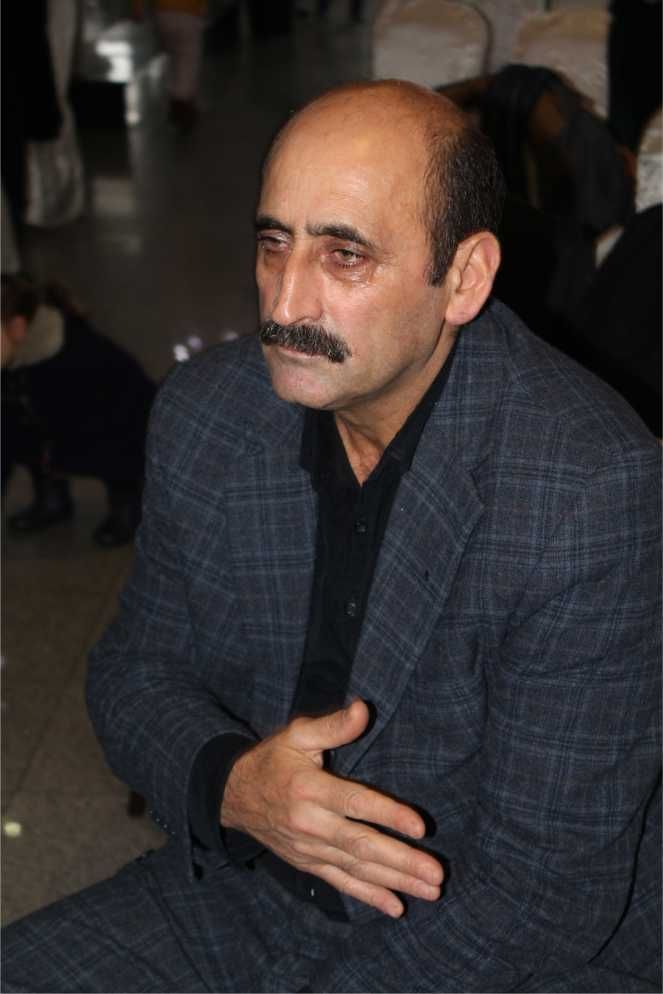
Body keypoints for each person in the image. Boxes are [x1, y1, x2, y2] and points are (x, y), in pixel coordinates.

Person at [2, 80, 660, 993]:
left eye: (344, 255)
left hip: (486, 947)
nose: (286, 300)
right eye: (274, 243)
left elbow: (544, 896)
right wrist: (233, 784)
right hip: (245, 892)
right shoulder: (208, 412)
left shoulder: (586, 490)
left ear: (464, 277)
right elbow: (132, 670)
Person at [1, 273, 156, 547]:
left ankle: (126, 502)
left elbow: (123, 422)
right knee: (13, 428)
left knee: (111, 448)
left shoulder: (77, 358)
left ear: (17, 328)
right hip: (53, 420)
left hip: (122, 426)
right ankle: (52, 497)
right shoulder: (12, 357)